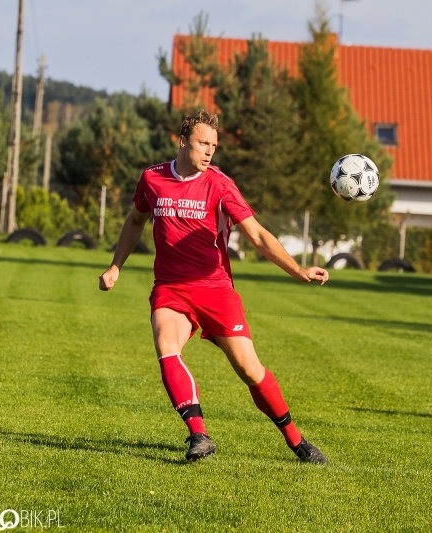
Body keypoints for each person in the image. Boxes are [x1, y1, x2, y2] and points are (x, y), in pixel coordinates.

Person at [99, 109, 329, 463]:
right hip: (171, 287)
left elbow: (257, 235)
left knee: (249, 370)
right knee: (166, 345)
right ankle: (198, 435)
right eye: (203, 143)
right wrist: (116, 266)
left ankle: (296, 440)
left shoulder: (220, 184)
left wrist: (297, 270)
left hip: (215, 289)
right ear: (182, 141)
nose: (209, 151)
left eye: (214, 146)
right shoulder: (152, 179)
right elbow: (134, 222)